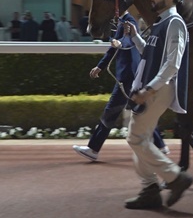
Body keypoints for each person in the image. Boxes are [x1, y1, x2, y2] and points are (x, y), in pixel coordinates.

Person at [122, 0, 193, 209]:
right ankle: (150, 190)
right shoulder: (162, 22)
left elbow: (173, 63)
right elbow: (150, 53)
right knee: (141, 138)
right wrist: (135, 36)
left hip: (157, 89)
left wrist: (149, 89)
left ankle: (174, 177)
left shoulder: (175, 22)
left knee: (135, 137)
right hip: (150, 88)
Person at [72, 10, 169, 161]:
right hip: (130, 75)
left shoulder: (128, 20)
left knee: (111, 112)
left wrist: (119, 44)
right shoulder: (121, 22)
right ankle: (160, 145)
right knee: (140, 111)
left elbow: (128, 41)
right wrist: (100, 66)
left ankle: (93, 148)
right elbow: (114, 47)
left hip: (128, 76)